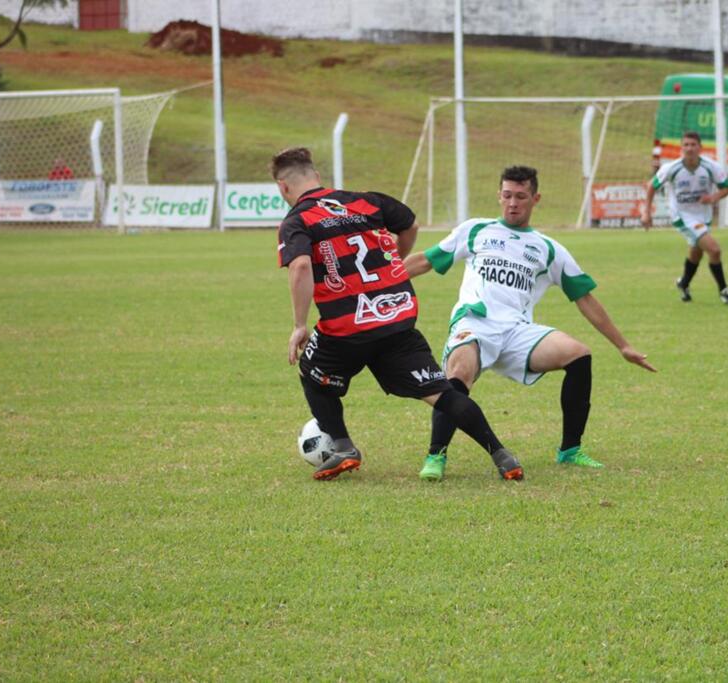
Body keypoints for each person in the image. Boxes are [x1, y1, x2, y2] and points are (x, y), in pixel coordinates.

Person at [272, 147, 525, 481]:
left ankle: (345, 446)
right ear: (317, 177)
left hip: (347, 326)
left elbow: (301, 266)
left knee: (311, 373)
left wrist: (299, 325)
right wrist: (391, 263)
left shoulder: (296, 220)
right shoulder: (366, 201)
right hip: (396, 317)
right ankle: (502, 455)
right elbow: (409, 225)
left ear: (283, 188)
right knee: (441, 394)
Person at [403, 165, 656, 482]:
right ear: (499, 195)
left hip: (517, 331)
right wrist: (380, 280)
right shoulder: (475, 230)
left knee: (578, 353)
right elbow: (426, 260)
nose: (513, 203)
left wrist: (624, 346)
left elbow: (585, 298)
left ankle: (570, 450)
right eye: (507, 195)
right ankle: (436, 454)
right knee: (459, 372)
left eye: (521, 196)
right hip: (475, 323)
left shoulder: (549, 249)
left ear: (535, 199)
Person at [640, 131, 728, 305]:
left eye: (693, 145)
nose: (689, 148)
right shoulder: (671, 168)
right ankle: (724, 291)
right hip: (681, 216)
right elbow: (651, 187)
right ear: (681, 148)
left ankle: (684, 283)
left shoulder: (711, 167)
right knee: (714, 250)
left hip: (703, 215)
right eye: (686, 145)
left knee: (696, 253)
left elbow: (726, 188)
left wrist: (713, 198)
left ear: (700, 147)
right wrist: (646, 212)